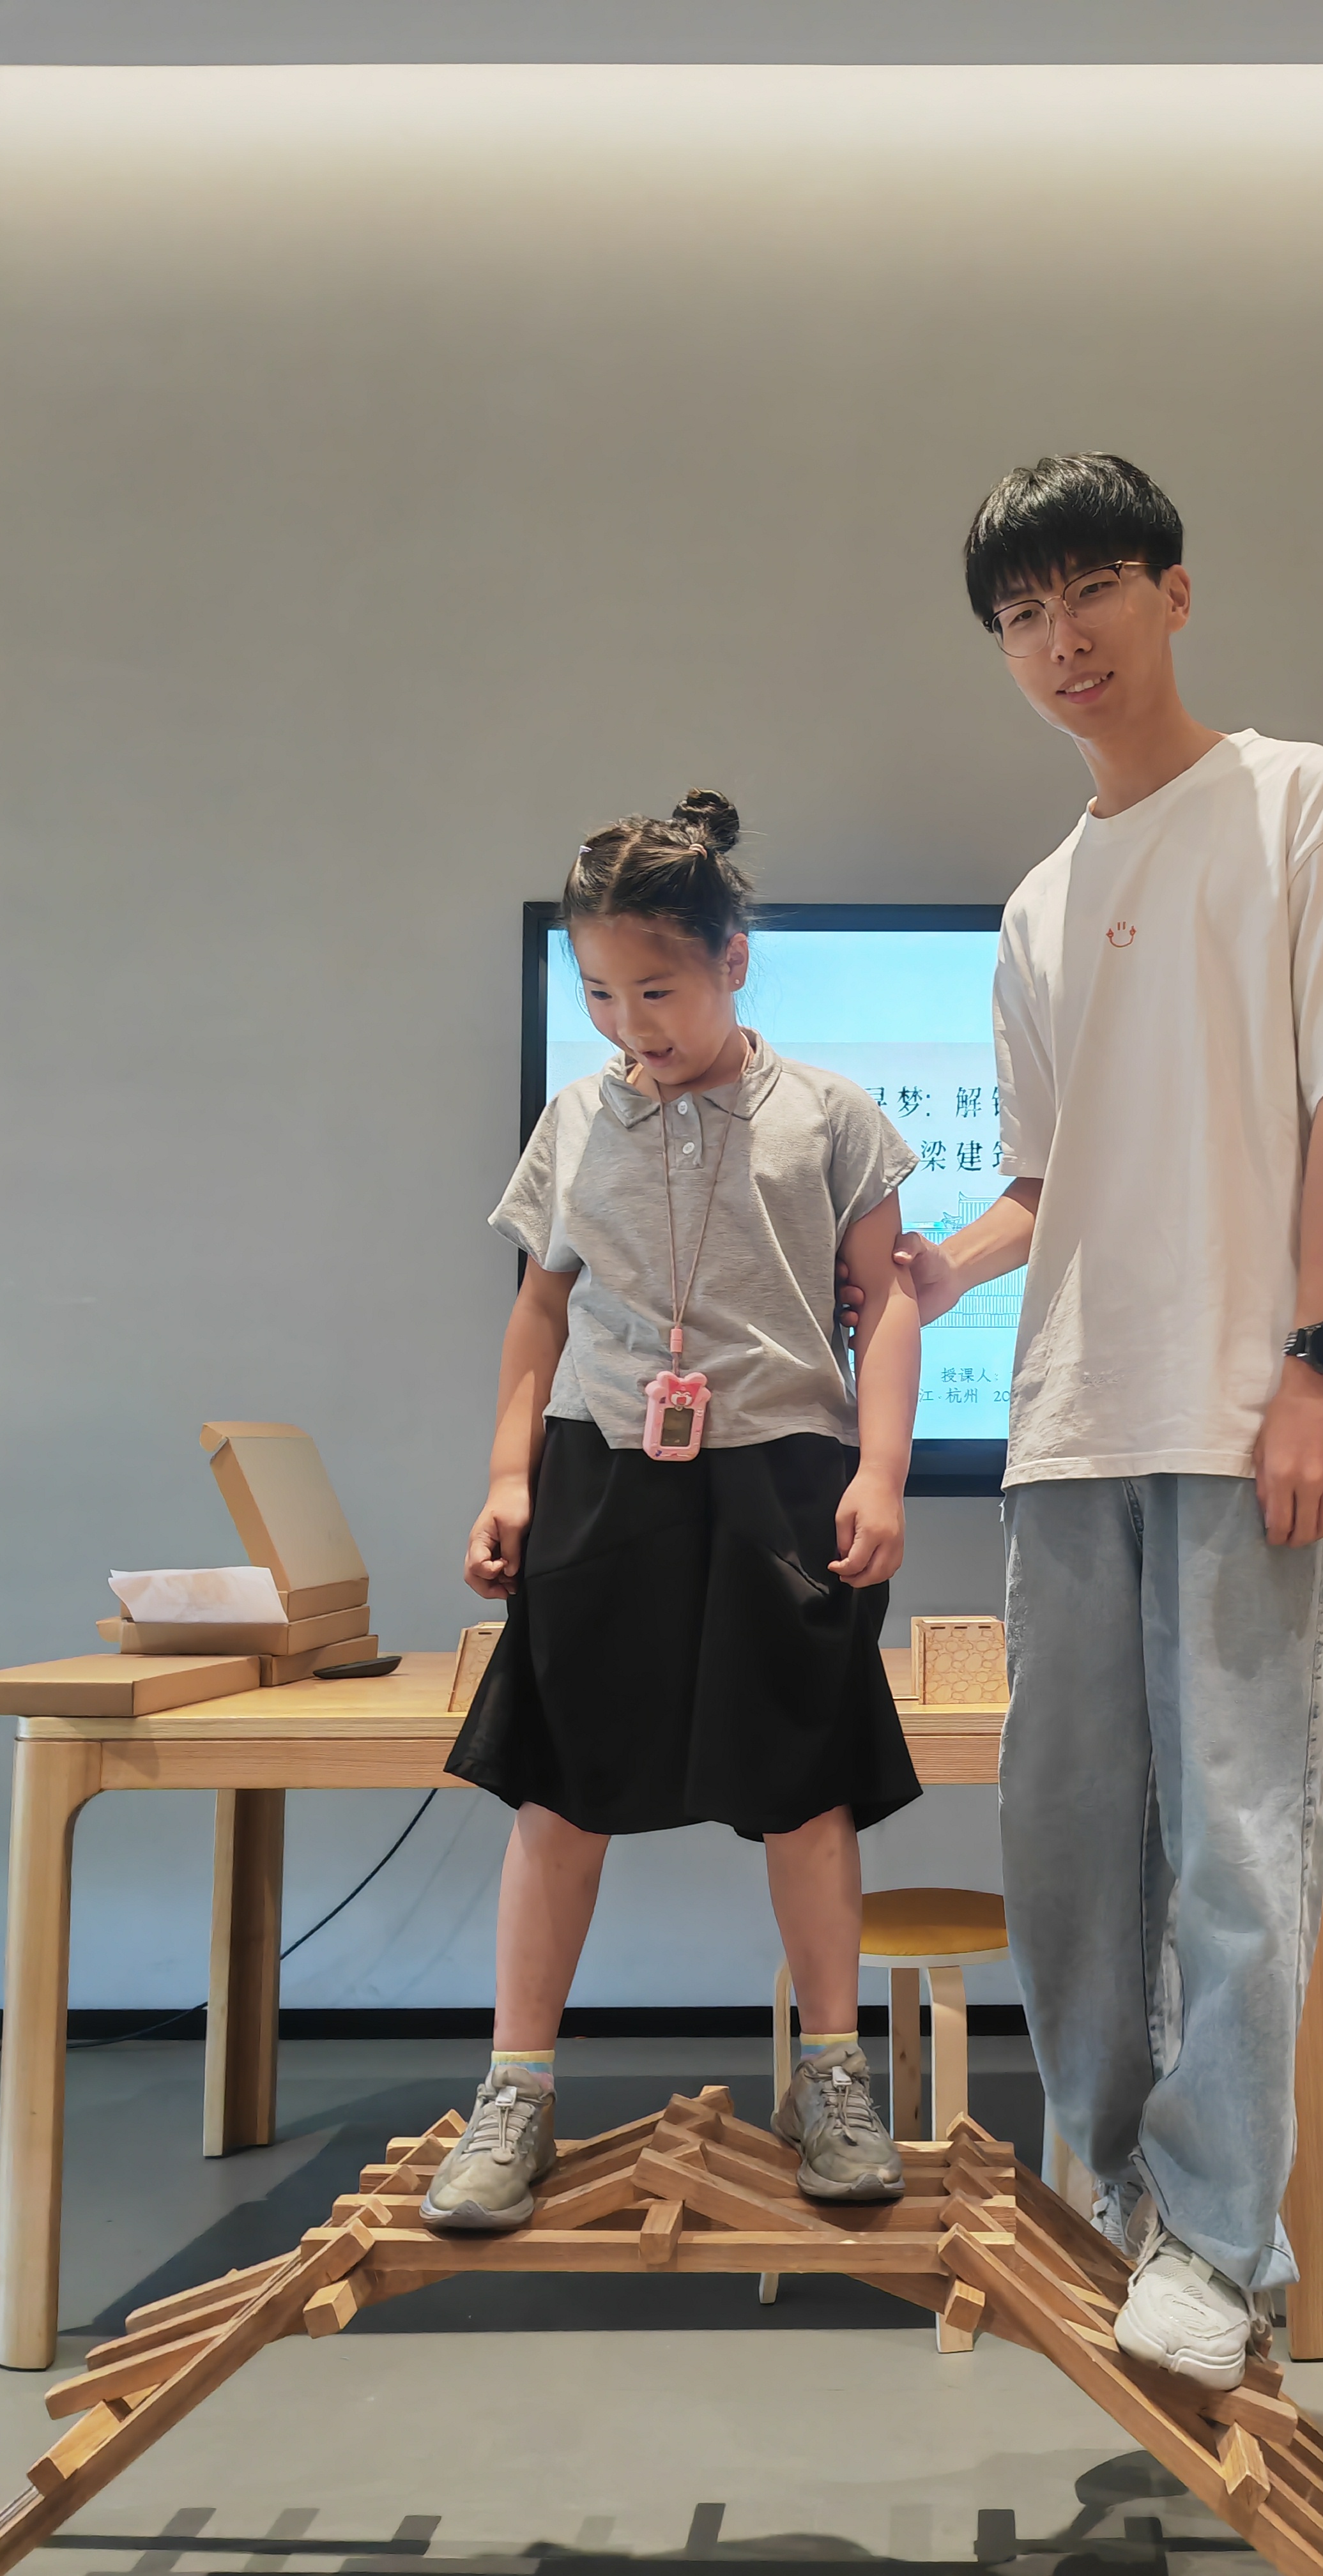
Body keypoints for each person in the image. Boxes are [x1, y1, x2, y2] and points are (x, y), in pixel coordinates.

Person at [891, 454, 1323, 2389]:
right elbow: (1044, 1181)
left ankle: (1220, 2242)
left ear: (1174, 593)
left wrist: (1321, 1364)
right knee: (1064, 1847)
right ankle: (1140, 2195)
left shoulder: (1305, 800)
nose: (1061, 638)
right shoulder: (1039, 903)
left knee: (1241, 1835)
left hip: (1255, 1410)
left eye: (1092, 590)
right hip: (1074, 1419)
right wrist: (932, 1271)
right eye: (1021, 614)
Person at [423, 792, 924, 2229]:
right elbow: (541, 1309)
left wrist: (880, 1471)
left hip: (786, 1477)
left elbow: (888, 1303)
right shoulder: (574, 1118)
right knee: (559, 1787)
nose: (628, 1022)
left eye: (657, 988)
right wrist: (508, 1476)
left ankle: (830, 2079)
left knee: (805, 1788)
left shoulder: (832, 1115)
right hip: (601, 1470)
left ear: (733, 961)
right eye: (599, 992)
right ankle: (516, 2092)